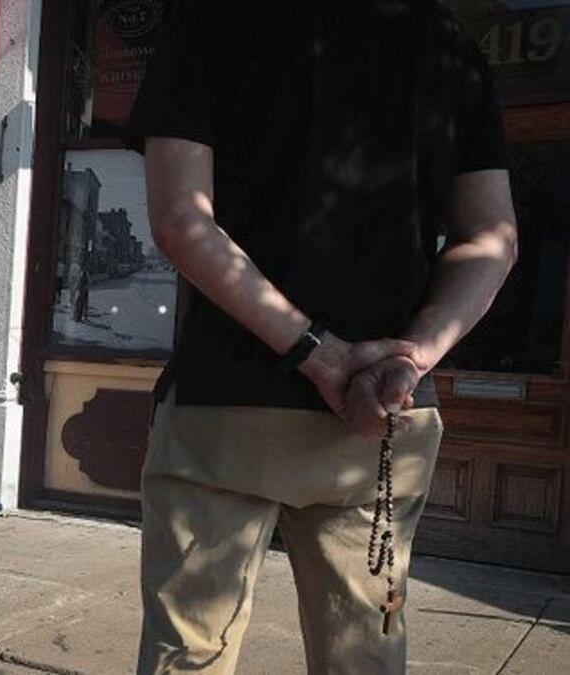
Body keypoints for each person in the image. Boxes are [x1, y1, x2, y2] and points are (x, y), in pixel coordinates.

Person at [126, 2, 518, 673]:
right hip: (380, 414)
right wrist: (412, 356)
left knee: (187, 654)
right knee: (365, 653)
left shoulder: (209, 20)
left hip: (227, 402)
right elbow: (492, 238)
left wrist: (318, 354)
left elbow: (181, 222)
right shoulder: (449, 45)